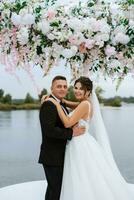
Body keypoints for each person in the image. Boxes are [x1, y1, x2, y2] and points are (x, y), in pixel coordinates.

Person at [46, 76, 134, 200]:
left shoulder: (85, 104)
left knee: (81, 175)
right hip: (82, 142)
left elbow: (67, 123)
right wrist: (63, 102)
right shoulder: (85, 103)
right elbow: (74, 105)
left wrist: (55, 103)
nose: (77, 90)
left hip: (79, 144)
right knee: (85, 175)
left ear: (87, 92)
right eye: (75, 88)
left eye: (81, 89)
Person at [38, 75, 86, 200]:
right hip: (52, 156)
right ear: (52, 88)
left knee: (55, 189)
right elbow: (49, 130)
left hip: (60, 155)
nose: (62, 89)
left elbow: (80, 106)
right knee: (56, 190)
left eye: (65, 86)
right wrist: (71, 133)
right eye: (59, 86)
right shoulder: (49, 104)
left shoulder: (60, 103)